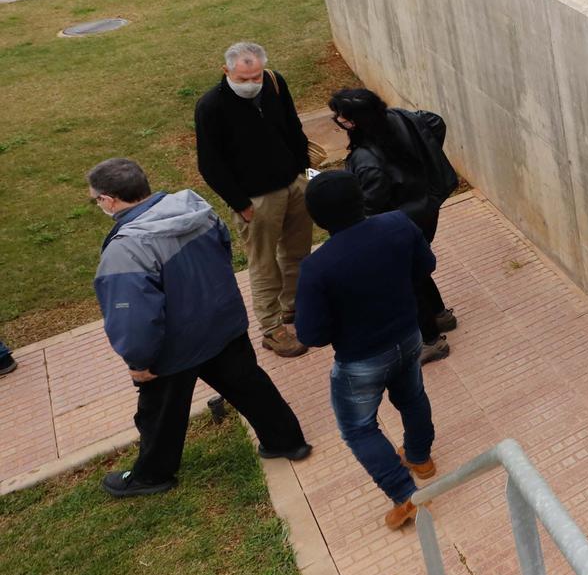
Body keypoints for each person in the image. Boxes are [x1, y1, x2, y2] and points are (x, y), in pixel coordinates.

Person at [89, 157, 311, 497]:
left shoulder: (126, 250)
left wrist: (139, 361)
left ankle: (152, 475)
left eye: (96, 199)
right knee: (251, 386)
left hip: (175, 346)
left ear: (108, 200)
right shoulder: (196, 207)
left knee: (160, 414)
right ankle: (288, 441)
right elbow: (224, 254)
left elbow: (133, 316)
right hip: (224, 324)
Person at [295, 171, 438, 531]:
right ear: (360, 199)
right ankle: (421, 459)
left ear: (316, 219)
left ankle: (407, 498)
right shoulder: (397, 223)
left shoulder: (316, 267)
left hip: (361, 359)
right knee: (412, 396)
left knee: (359, 429)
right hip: (408, 336)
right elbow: (427, 267)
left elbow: (310, 333)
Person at [193, 41, 313, 357]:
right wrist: (240, 204)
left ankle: (294, 307)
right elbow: (210, 164)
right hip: (256, 200)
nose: (250, 84)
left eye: (255, 77)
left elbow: (293, 127)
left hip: (294, 186)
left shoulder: (275, 82)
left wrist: (304, 173)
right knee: (263, 264)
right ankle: (272, 328)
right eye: (243, 79)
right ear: (226, 71)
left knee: (298, 253)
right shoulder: (211, 107)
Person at [330, 88, 459, 363]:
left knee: (406, 280)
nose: (337, 120)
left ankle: (431, 341)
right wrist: (429, 160)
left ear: (353, 122)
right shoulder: (402, 117)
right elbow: (435, 122)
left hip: (398, 223)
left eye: (340, 117)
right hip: (425, 209)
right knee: (416, 266)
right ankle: (440, 315)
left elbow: (368, 206)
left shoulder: (367, 161)